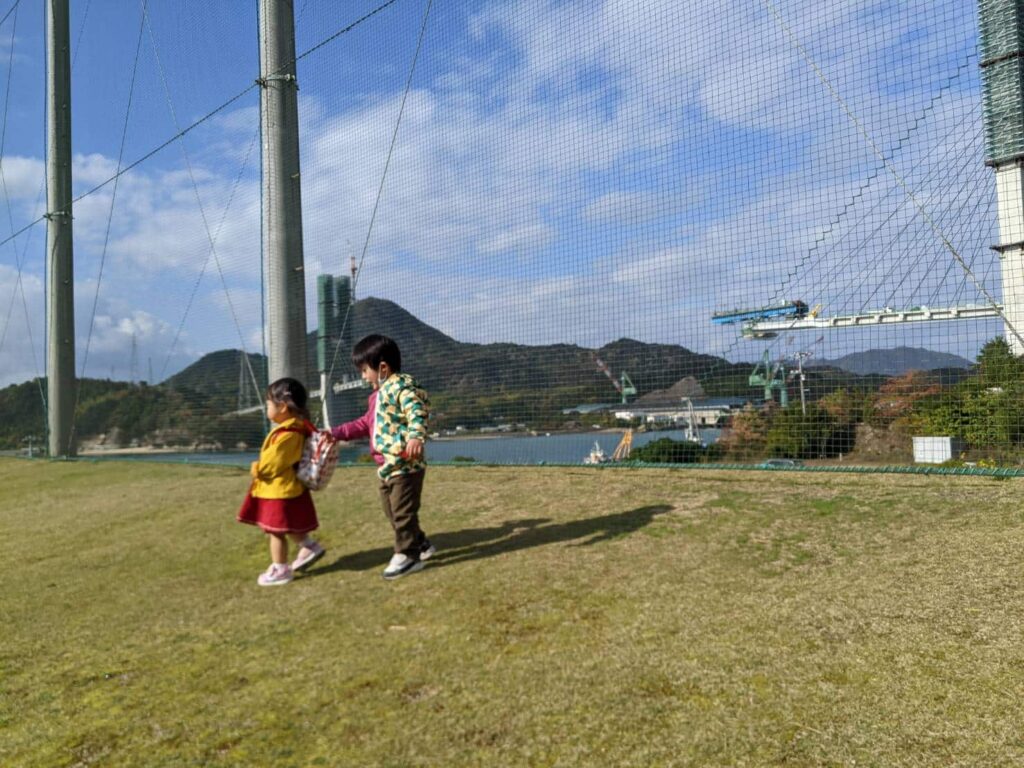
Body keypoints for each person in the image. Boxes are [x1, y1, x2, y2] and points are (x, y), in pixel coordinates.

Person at [331, 334, 433, 580]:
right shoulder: (376, 397)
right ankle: (420, 542)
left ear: (383, 368)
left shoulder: (400, 387)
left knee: (402, 511)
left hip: (405, 465)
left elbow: (416, 410)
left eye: (365, 370)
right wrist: (335, 433)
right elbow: (365, 424)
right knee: (391, 510)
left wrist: (415, 436)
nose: (363, 377)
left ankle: (407, 555)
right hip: (386, 466)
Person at [237, 377, 326, 586]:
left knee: (275, 531)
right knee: (290, 525)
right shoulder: (297, 429)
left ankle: (280, 569)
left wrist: (257, 468)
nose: (266, 408)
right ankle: (309, 547)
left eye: (268, 404)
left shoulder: (289, 433)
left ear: (283, 407)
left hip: (279, 490)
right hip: (289, 489)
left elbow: (273, 463)